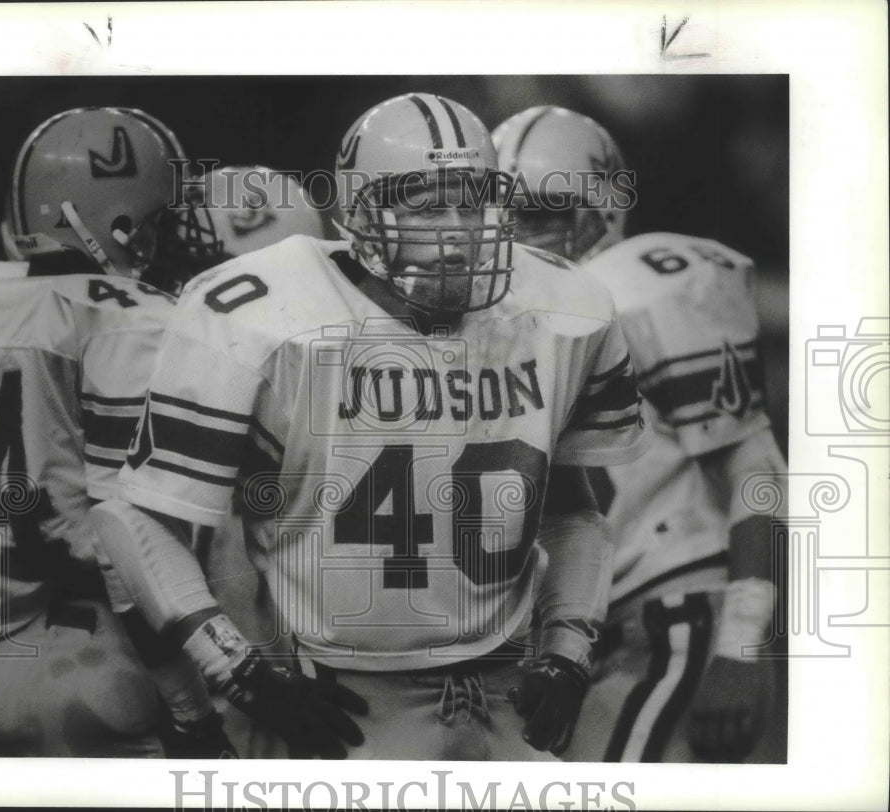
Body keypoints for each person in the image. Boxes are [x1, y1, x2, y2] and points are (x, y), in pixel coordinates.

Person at [90, 92, 649, 760]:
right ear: (358, 212)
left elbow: (573, 511)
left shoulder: (565, 307)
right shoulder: (264, 313)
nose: (457, 229)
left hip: (506, 692)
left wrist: (566, 650)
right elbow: (134, 519)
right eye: (425, 202)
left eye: (472, 200)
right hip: (343, 695)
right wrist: (238, 671)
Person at [492, 105, 786, 762]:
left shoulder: (638, 289)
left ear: (599, 214)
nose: (514, 237)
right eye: (500, 214)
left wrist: (742, 644)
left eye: (539, 214)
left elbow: (757, 469)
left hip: (671, 612)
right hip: (575, 640)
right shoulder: (492, 329)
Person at [0, 106, 233, 758]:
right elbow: (123, 550)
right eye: (165, 217)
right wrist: (197, 713)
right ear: (127, 230)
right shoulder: (129, 319)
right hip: (28, 643)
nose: (181, 232)